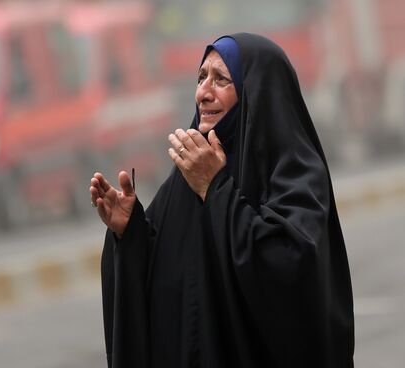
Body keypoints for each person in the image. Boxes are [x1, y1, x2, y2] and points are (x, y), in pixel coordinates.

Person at [89, 33, 354, 368]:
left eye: (221, 80)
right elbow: (168, 279)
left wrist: (215, 189)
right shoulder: (185, 178)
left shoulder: (295, 174)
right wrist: (130, 234)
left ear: (255, 92)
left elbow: (288, 267)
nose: (203, 92)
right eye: (201, 78)